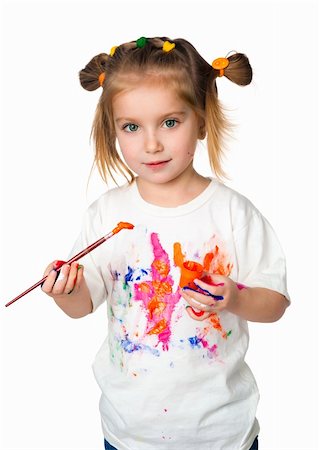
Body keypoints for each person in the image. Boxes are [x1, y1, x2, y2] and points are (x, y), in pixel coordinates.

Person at [41, 36, 290, 450]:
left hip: (221, 434)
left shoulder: (232, 212)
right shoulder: (107, 213)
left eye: (170, 123)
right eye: (132, 127)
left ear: (203, 120)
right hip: (128, 434)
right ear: (114, 129)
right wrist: (64, 290)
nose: (151, 143)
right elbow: (82, 305)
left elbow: (276, 302)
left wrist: (234, 297)